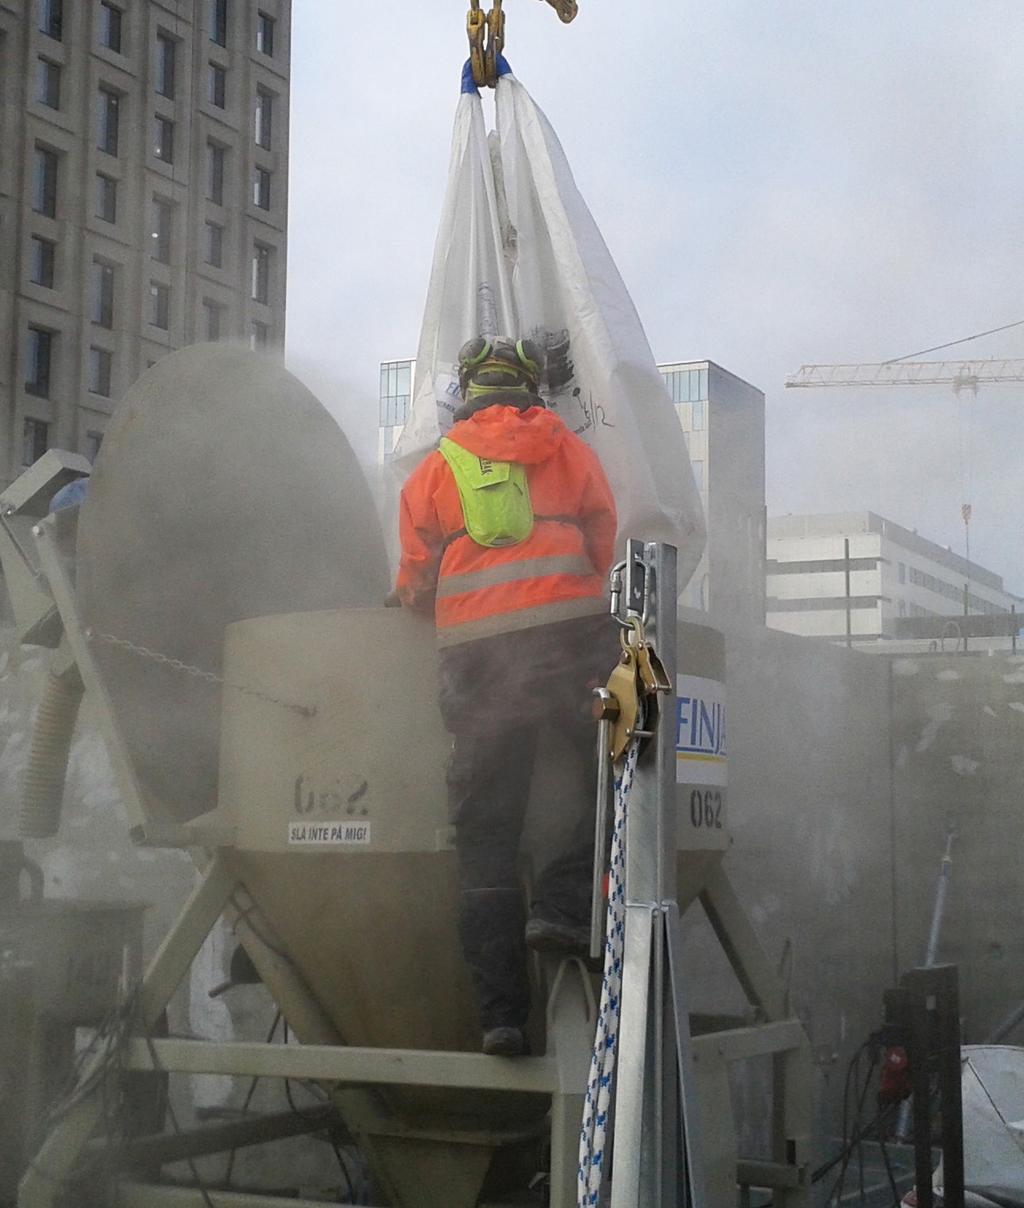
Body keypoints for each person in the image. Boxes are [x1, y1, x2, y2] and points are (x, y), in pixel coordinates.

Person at [395, 335, 618, 1057]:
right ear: (531, 388)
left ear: (466, 392)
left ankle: (501, 1017)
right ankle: (563, 901)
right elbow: (607, 541)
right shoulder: (566, 450)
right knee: (623, 776)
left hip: (476, 656)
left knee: (486, 836)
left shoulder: (434, 469)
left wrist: (411, 597)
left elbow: (414, 580)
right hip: (567, 637)